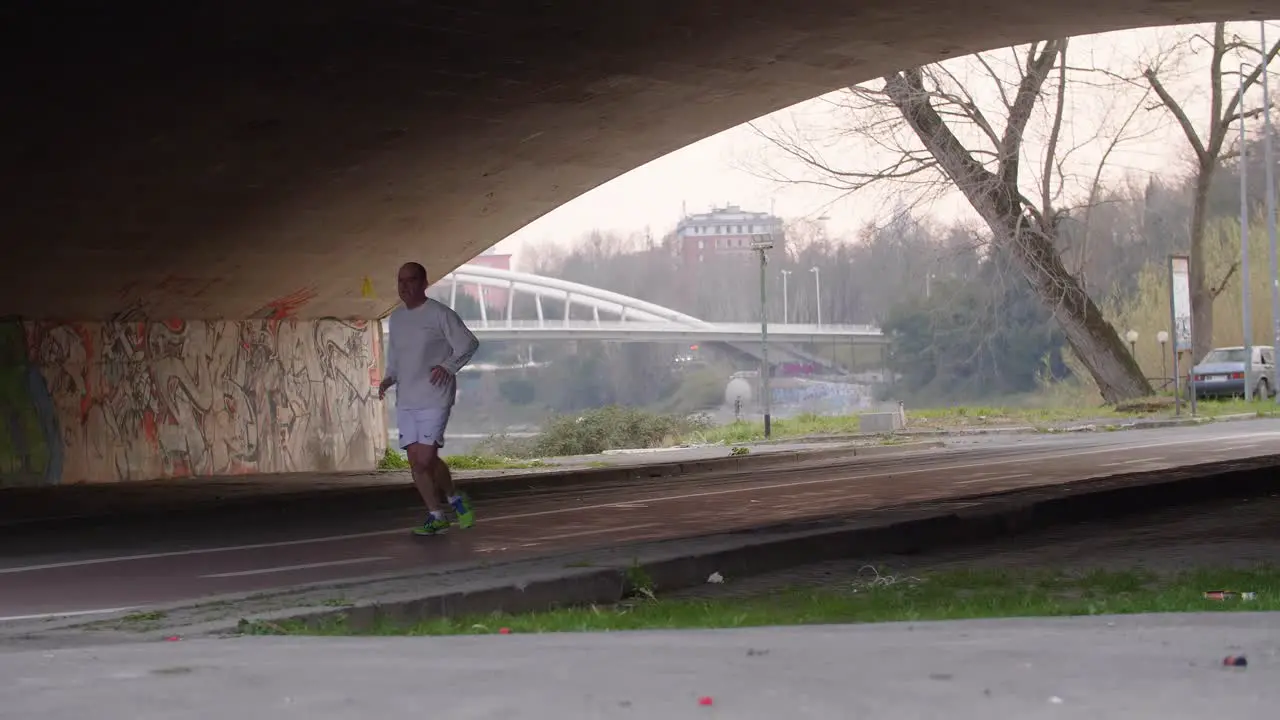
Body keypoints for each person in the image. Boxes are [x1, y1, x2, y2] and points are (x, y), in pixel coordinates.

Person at [378, 261, 480, 536]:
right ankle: (437, 514)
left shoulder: (439, 314)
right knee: (418, 463)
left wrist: (447, 367)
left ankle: (455, 498)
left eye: (411, 280)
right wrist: (389, 377)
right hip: (407, 399)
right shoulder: (397, 318)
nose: (404, 286)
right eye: (400, 281)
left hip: (435, 397)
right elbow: (396, 355)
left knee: (425, 459)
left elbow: (468, 343)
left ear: (424, 282)